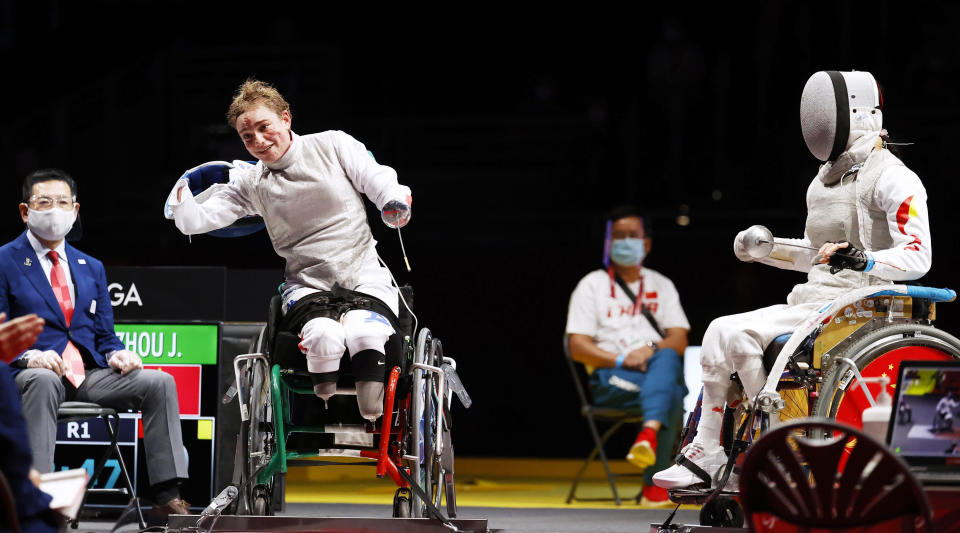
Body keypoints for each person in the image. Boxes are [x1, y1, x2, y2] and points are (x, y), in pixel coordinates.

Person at [654, 70, 932, 489]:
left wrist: (865, 260)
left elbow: (918, 255)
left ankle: (772, 443)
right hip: (814, 302)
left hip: (863, 306)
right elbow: (817, 257)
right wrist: (767, 251)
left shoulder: (894, 176)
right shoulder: (822, 182)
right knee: (719, 330)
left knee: (738, 334)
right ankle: (710, 452)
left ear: (852, 112)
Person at [165, 79, 412, 421]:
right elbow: (199, 220)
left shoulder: (332, 145)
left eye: (264, 127)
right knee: (323, 335)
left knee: (364, 330)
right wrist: (181, 197)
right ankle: (324, 395)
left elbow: (376, 177)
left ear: (286, 118)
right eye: (247, 137)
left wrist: (393, 200)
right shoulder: (252, 182)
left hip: (364, 274)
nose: (259, 141)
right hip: (307, 286)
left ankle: (372, 410)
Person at [1, 169, 190, 515]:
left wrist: (118, 353)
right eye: (44, 202)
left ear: (75, 211)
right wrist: (29, 357)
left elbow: (105, 336)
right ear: (25, 211)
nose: (55, 210)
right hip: (28, 374)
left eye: (63, 203)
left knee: (159, 382)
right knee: (42, 380)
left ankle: (166, 494)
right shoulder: (4, 260)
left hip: (87, 375)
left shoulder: (91, 267)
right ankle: (35, 497)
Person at [565, 206, 689, 507]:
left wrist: (650, 349)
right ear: (608, 244)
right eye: (617, 236)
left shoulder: (662, 284)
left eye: (631, 236)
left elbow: (679, 339)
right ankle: (653, 482)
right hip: (611, 379)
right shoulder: (591, 285)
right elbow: (577, 346)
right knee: (672, 388)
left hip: (650, 376)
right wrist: (622, 360)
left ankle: (649, 433)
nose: (624, 242)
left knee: (667, 358)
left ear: (645, 244)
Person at [0, 312, 60, 533]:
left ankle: (169, 500)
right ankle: (39, 490)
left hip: (89, 373)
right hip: (34, 372)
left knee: (159, 382)